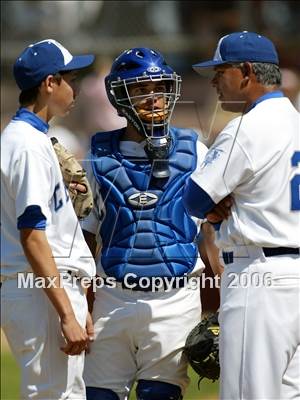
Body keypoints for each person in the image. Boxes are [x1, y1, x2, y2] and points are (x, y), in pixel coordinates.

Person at [81, 47, 223, 400]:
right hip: (112, 298)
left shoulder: (196, 151)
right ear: (119, 95)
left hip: (175, 299)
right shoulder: (97, 157)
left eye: (159, 87)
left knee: (159, 395)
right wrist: (77, 306)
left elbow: (210, 231)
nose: (153, 98)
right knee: (98, 396)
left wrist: (225, 300)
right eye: (141, 90)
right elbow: (85, 238)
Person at [183, 31, 300, 399]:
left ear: (247, 72)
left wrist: (216, 214)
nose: (215, 81)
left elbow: (195, 198)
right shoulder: (296, 122)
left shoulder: (248, 127)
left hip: (260, 280)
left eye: (221, 71)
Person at [1, 39, 96, 399]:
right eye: (70, 77)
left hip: (44, 289)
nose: (76, 86)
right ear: (49, 83)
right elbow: (33, 236)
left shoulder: (32, 138)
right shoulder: (25, 144)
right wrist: (66, 313)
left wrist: (76, 304)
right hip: (38, 291)